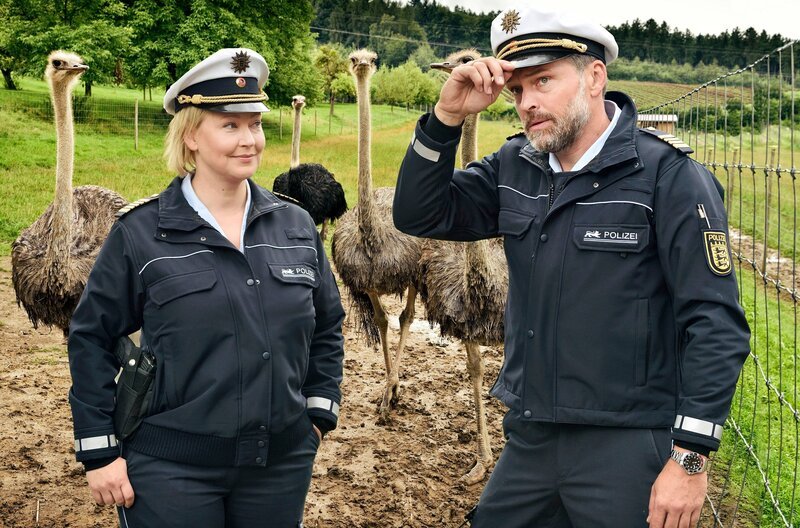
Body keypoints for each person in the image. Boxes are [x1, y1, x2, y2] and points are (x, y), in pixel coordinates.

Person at [393, 7, 750, 528]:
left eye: (543, 80)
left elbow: (716, 324)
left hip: (627, 444)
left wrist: (690, 458)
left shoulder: (667, 176)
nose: (528, 103)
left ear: (594, 77)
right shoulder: (515, 166)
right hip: (532, 436)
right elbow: (419, 212)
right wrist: (446, 119)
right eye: (517, 90)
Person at [67, 48, 345, 527]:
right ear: (191, 134)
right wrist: (99, 451)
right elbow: (90, 337)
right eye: (230, 125)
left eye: (255, 123)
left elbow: (327, 325)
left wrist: (317, 415)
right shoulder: (141, 233)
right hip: (171, 469)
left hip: (278, 468)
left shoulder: (295, 225)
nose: (250, 140)